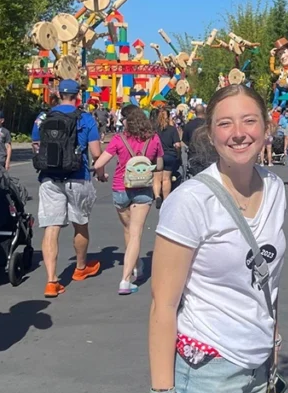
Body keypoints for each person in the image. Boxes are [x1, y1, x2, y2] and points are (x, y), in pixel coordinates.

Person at [147, 84, 287, 393]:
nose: (238, 132)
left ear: (266, 127)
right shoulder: (191, 202)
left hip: (258, 365)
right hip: (206, 370)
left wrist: (273, 337)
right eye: (225, 123)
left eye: (249, 120)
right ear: (211, 132)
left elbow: (269, 278)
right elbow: (162, 306)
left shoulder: (276, 190)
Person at [31, 80, 103, 298]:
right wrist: (100, 172)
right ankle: (80, 268)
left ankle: (51, 281)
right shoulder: (85, 118)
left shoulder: (43, 118)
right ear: (77, 96)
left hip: (49, 179)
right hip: (77, 177)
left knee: (51, 228)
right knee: (80, 223)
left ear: (59, 94)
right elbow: (96, 153)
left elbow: (36, 146)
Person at [93, 105, 163, 295]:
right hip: (143, 190)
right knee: (135, 233)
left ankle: (132, 270)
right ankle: (128, 276)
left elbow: (99, 162)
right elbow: (159, 165)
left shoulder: (119, 139)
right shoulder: (153, 138)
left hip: (120, 188)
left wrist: (100, 174)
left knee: (129, 230)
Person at [154, 107, 182, 206]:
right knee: (166, 178)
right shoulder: (172, 129)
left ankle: (157, 196)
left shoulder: (154, 130)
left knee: (157, 178)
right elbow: (177, 144)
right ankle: (166, 199)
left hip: (157, 156)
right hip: (170, 155)